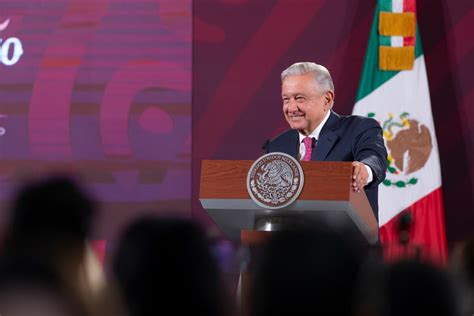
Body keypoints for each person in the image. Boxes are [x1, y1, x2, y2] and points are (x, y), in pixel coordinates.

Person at [265, 62, 387, 220]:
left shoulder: (359, 128)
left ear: (327, 100)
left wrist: (365, 170)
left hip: (346, 241)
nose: (291, 107)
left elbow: (375, 158)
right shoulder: (278, 145)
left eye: (299, 98)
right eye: (286, 99)